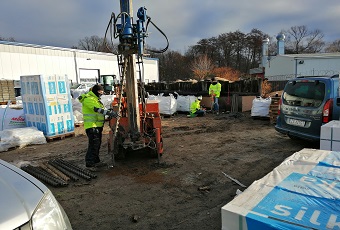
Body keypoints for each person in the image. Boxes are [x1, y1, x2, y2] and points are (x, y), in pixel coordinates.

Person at [78, 84, 119, 168]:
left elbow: (102, 109)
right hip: (92, 126)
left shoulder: (96, 100)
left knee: (97, 144)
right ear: (95, 91)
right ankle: (90, 163)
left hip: (97, 126)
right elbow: (97, 109)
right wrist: (109, 113)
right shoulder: (88, 99)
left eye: (102, 91)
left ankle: (96, 161)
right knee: (93, 144)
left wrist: (109, 111)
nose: (101, 93)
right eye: (100, 91)